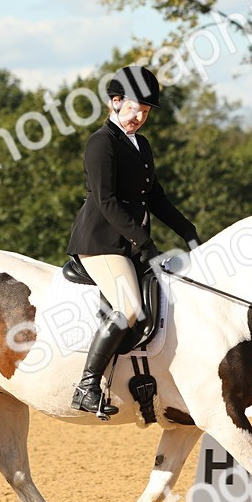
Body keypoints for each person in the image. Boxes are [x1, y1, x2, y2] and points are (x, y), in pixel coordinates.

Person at [65, 65, 200, 417]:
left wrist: (188, 230)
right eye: (134, 108)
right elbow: (107, 201)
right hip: (100, 242)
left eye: (146, 111)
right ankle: (87, 386)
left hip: (129, 243)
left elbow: (155, 196)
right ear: (115, 102)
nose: (140, 116)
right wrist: (144, 242)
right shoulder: (101, 143)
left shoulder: (141, 144)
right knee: (127, 306)